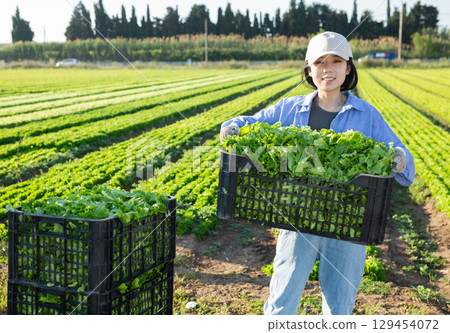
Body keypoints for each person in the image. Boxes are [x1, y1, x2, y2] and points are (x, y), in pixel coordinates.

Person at [219, 31, 415, 315]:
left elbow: (401, 157)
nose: (328, 69)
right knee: (282, 300)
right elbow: (252, 122)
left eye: (336, 61)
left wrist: (400, 158)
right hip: (297, 217)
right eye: (320, 62)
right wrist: (232, 126)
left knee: (339, 306)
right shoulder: (289, 109)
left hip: (348, 226)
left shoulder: (367, 115)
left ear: (348, 68)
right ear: (309, 70)